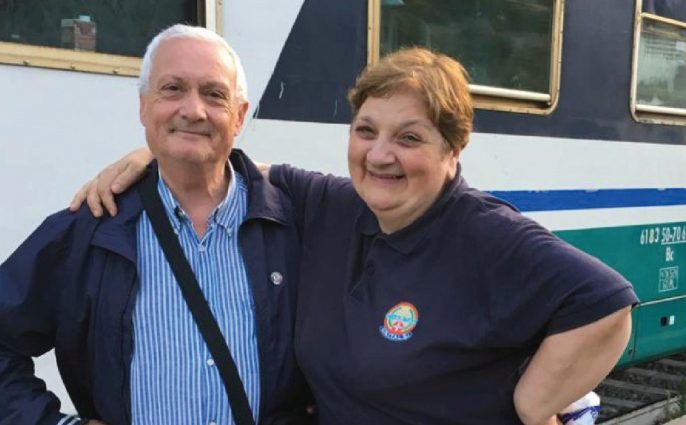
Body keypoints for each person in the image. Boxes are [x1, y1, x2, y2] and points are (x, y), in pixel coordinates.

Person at [72, 48, 637, 425]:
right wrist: (154, 154)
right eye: (366, 131)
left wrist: (533, 405)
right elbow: (235, 168)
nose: (380, 155)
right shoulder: (334, 204)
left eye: (409, 138)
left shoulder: (483, 233)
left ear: (453, 149)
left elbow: (605, 302)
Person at [0, 25, 313, 425]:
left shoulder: (295, 227)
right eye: (173, 89)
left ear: (238, 117)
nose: (193, 110)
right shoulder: (91, 230)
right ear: (144, 107)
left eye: (214, 94)